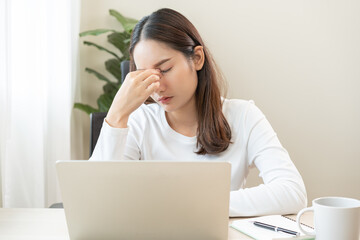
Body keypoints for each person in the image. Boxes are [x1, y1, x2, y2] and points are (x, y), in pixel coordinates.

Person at [90, 8, 307, 217]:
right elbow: (96, 199)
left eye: (164, 70)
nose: (158, 86)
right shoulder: (139, 122)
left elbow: (292, 192)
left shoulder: (243, 116)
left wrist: (197, 205)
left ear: (197, 58)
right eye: (146, 76)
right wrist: (117, 114)